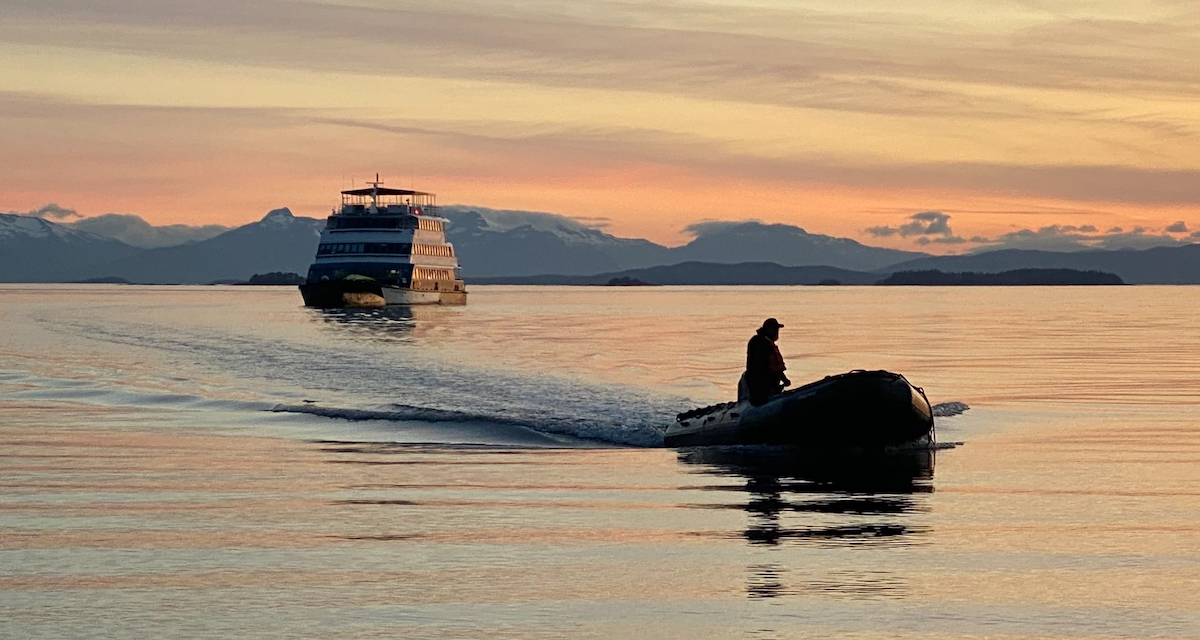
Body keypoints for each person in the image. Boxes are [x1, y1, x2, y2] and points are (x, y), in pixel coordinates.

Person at [739, 318, 791, 406]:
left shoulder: (768, 344)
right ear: (767, 329)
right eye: (774, 329)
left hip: (770, 386)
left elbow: (776, 367)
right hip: (761, 387)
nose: (776, 332)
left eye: (777, 329)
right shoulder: (759, 343)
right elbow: (761, 368)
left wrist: (783, 379)